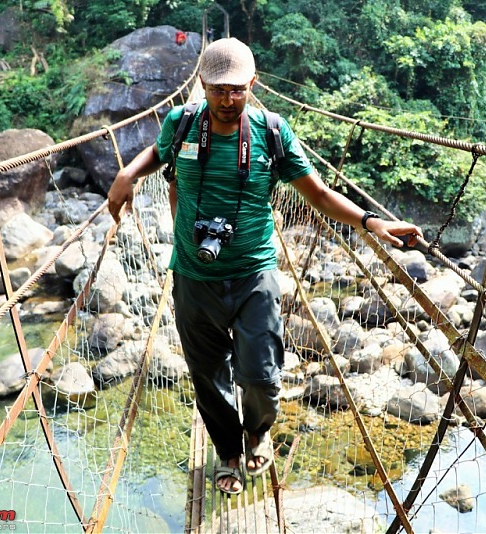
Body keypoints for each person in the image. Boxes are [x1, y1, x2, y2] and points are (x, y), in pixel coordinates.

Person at [107, 38, 423, 495]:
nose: (228, 100)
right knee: (208, 376)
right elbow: (158, 153)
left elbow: (316, 194)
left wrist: (372, 222)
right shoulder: (181, 123)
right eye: (218, 90)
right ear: (202, 85)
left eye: (237, 90)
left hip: (254, 273)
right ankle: (228, 453)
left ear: (252, 85)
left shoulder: (272, 132)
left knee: (260, 375)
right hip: (193, 277)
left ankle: (257, 432)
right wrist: (127, 173)